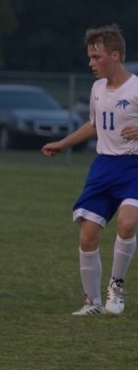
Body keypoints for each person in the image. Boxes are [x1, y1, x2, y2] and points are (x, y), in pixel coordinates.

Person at [42, 24, 137, 316]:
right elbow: (93, 126)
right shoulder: (97, 89)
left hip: (133, 166)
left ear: (116, 55)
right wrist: (63, 143)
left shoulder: (136, 87)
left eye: (96, 57)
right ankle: (92, 303)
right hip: (103, 167)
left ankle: (116, 286)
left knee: (127, 223)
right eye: (90, 57)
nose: (91, 63)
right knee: (87, 236)